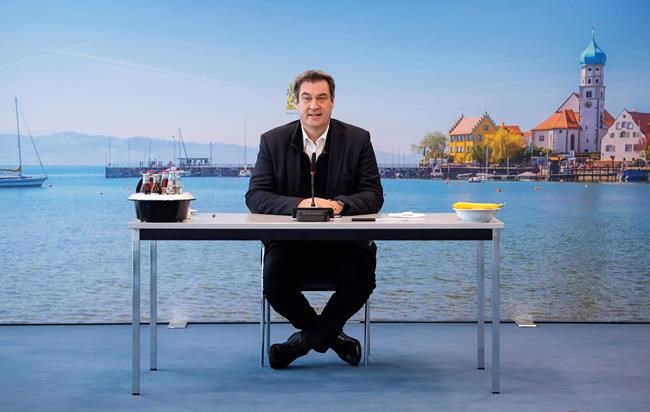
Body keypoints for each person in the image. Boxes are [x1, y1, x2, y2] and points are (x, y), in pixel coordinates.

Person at [245, 70, 384, 369]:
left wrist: (339, 205)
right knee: (275, 282)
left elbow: (374, 194)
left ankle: (299, 345)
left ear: (332, 102)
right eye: (306, 98)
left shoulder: (358, 139)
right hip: (290, 244)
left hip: (343, 244)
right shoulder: (272, 141)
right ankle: (333, 339)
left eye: (322, 98)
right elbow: (255, 196)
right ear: (295, 103)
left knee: (362, 278)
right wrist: (301, 205)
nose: (314, 106)